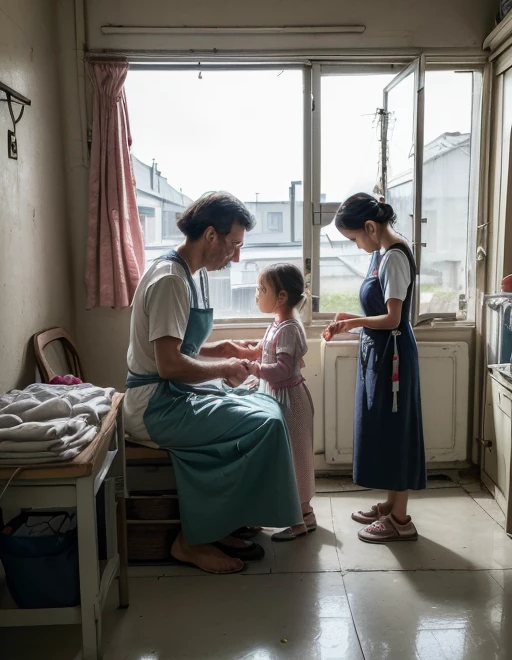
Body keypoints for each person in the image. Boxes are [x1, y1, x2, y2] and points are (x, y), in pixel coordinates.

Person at [124, 192, 302, 574]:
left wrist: (218, 349)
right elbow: (169, 364)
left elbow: (175, 344)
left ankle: (220, 523)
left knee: (266, 404)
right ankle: (192, 540)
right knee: (265, 423)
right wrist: (223, 369)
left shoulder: (191, 273)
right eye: (233, 245)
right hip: (155, 405)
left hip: (172, 393)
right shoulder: (171, 280)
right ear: (209, 235)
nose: (235, 256)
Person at [323, 193, 426, 543]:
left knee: (395, 429)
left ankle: (400, 520)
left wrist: (354, 325)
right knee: (385, 427)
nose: (356, 245)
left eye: (354, 238)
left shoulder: (395, 257)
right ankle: (390, 503)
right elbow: (381, 310)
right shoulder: (381, 252)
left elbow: (394, 317)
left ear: (370, 227)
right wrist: (350, 321)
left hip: (394, 356)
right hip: (381, 352)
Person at [244, 264, 316, 541]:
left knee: (293, 457)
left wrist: (255, 369)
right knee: (281, 456)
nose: (256, 295)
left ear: (282, 297)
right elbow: (273, 357)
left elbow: (284, 369)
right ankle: (294, 513)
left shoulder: (288, 328)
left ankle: (299, 519)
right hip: (279, 396)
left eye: (262, 289)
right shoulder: (278, 324)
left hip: (289, 401)